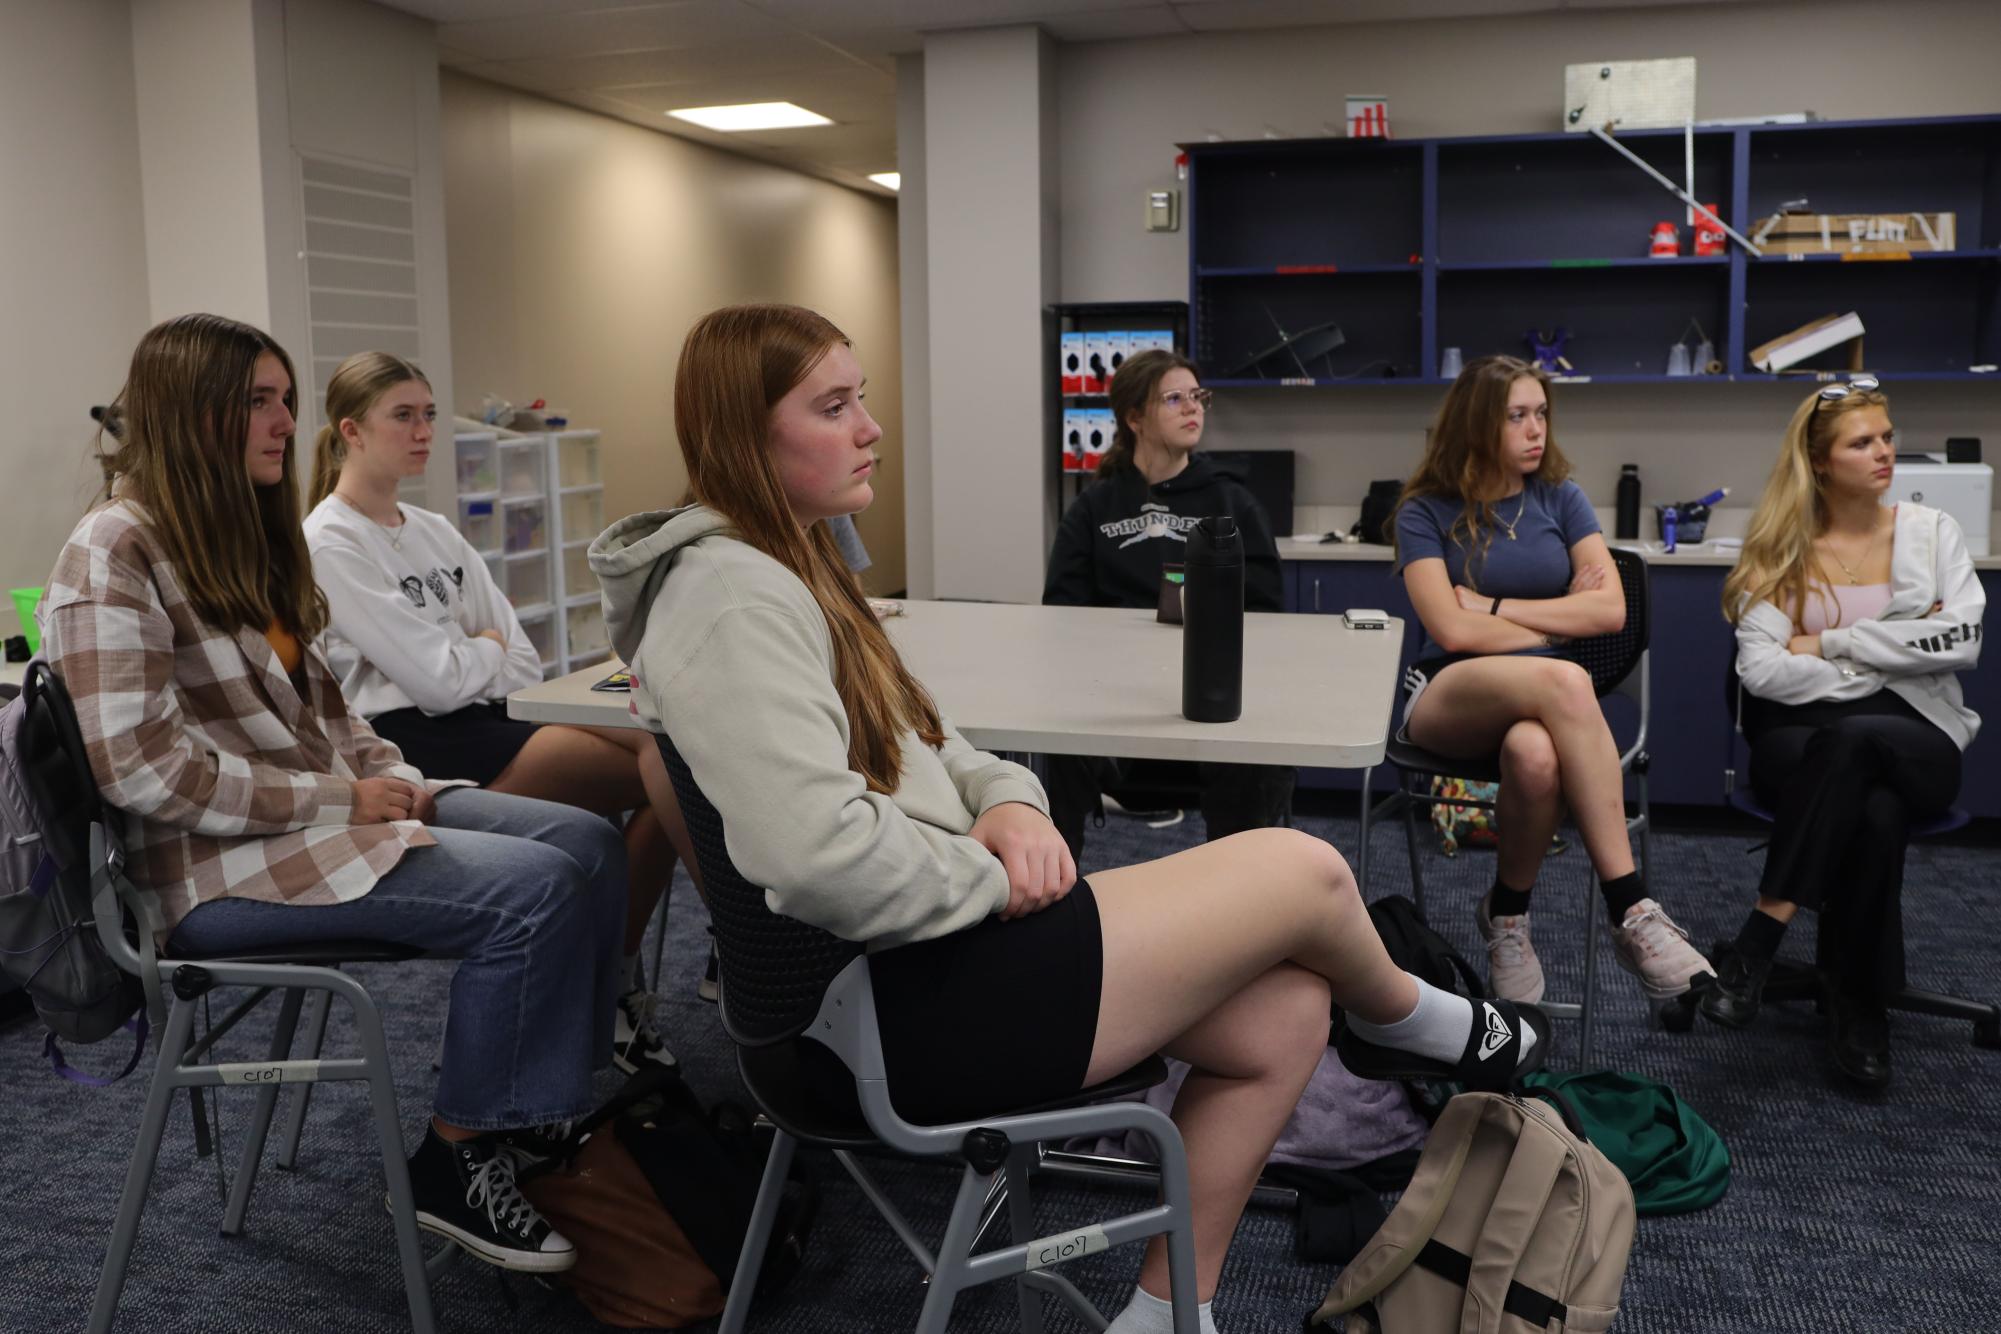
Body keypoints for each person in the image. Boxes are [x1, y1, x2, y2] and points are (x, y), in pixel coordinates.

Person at [590, 304, 1550, 1334]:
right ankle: (1413, 1018)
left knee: (1287, 1015)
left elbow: (925, 731)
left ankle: (1166, 1309)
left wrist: (1006, 799)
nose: (870, 425)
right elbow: (816, 858)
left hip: (915, 956)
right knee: (1303, 870)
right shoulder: (733, 598)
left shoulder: (792, 561)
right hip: (878, 1015)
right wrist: (1003, 878)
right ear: (746, 435)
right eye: (835, 405)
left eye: (861, 396)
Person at [43, 314, 626, 1273]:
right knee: (533, 892)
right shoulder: (115, 549)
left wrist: (387, 778)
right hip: (209, 872)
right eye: (257, 403)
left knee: (588, 844)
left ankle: (535, 1112)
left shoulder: (228, 536)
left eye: (285, 401)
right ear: (193, 415)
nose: (282, 423)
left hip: (307, 816)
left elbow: (327, 711)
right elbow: (142, 770)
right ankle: (460, 1155)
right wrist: (339, 803)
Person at [303, 351, 690, 1073]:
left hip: (481, 719)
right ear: (351, 431)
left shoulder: (431, 529)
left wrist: (466, 653)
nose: (422, 431)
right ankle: (689, 965)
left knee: (668, 743)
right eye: (403, 417)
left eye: (426, 415)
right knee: (662, 759)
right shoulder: (329, 541)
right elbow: (438, 684)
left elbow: (522, 661)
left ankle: (615, 974)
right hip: (408, 742)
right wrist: (470, 651)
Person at [1391, 355, 1712, 1005]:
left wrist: (1490, 609)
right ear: (1476, 423)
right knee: (1565, 681)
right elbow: (1449, 633)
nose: (1535, 429)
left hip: (1534, 694)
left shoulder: (1559, 498)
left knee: (1535, 756)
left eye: (1540, 413)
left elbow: (1610, 610)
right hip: (1447, 691)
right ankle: (1631, 908)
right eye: (1516, 416)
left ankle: (1506, 918)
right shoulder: (1423, 512)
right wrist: (1551, 631)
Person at [1704, 377, 1982, 1089]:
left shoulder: (1930, 533)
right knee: (1872, 804)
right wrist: (1886, 659)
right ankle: (1861, 1008)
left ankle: (1760, 936)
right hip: (1798, 741)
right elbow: (1762, 673)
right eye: (1862, 442)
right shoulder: (1778, 553)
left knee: (1856, 742)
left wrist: (1828, 644)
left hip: (1918, 736)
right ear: (1821, 461)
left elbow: (1959, 640)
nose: (1884, 451)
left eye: (1885, 436)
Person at [1041, 349, 1293, 860]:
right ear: (1135, 418)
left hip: (1209, 690)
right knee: (1047, 747)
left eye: (1197, 396)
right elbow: (1061, 610)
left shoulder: (1232, 503)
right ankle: (1054, 895)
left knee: (1262, 755)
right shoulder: (1094, 506)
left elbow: (1267, 609)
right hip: (1112, 695)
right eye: (1174, 398)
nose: (1193, 408)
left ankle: (1240, 898)